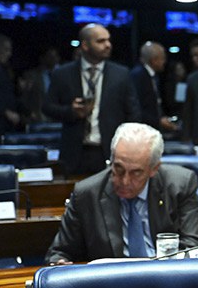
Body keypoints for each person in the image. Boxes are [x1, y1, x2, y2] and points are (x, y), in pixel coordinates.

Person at [45, 122, 198, 264]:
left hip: (166, 280)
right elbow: (59, 252)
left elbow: (193, 247)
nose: (125, 181)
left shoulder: (180, 185)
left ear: (154, 169)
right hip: (109, 284)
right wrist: (60, 263)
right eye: (118, 169)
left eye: (136, 173)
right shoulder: (87, 194)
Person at [43, 23, 141, 175]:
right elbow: (47, 107)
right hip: (74, 151)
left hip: (109, 150)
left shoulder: (121, 74)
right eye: (101, 41)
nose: (108, 45)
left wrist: (127, 146)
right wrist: (71, 111)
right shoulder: (63, 73)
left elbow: (134, 113)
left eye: (108, 40)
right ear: (85, 45)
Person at [130, 41, 178, 133]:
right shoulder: (138, 76)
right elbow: (136, 107)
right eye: (163, 58)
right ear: (154, 60)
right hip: (142, 130)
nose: (164, 62)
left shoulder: (153, 76)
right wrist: (158, 120)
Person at [20, 46, 60, 124]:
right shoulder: (31, 76)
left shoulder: (63, 75)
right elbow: (24, 98)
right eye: (50, 56)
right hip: (39, 119)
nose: (53, 59)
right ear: (42, 58)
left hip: (59, 118)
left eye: (55, 56)